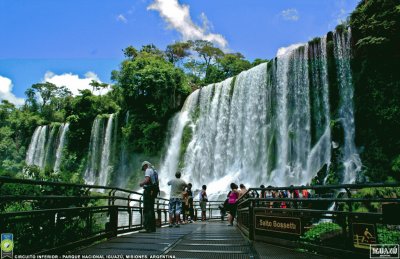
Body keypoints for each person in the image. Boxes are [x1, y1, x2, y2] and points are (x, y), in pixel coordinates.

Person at [139, 161, 157, 233]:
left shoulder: (148, 170)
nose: (143, 170)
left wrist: (141, 184)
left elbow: (147, 180)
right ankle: (152, 228)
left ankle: (147, 228)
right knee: (151, 209)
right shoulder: (154, 171)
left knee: (146, 209)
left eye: (143, 168)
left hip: (148, 191)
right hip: (153, 191)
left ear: (145, 165)